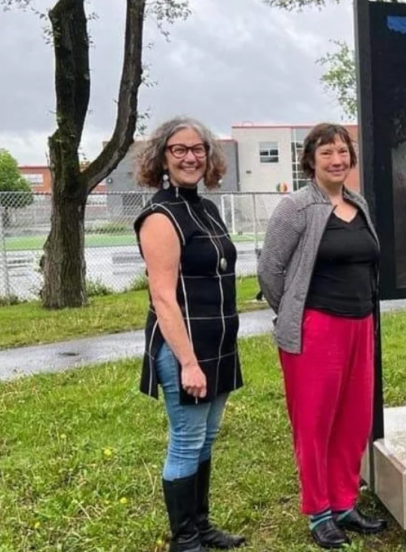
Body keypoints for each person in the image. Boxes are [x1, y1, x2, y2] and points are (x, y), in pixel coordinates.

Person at [257, 123, 386, 549]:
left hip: (360, 324)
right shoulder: (296, 208)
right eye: (327, 152)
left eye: (343, 151)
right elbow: (270, 271)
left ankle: (345, 501)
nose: (337, 160)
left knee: (354, 419)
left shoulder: (358, 203)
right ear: (310, 159)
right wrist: (297, 313)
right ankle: (319, 511)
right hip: (317, 330)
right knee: (315, 423)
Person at [133, 116, 246, 552]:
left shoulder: (205, 207)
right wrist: (188, 363)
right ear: (162, 157)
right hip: (185, 348)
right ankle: (184, 540)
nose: (189, 157)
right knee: (186, 440)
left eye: (197, 148)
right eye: (178, 149)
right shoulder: (160, 216)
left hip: (218, 342)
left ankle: (201, 526)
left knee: (207, 436)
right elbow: (163, 298)